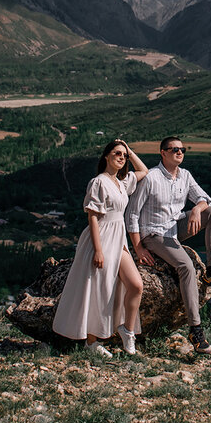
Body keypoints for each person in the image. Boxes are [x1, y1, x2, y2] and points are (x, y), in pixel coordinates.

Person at [126, 136, 211, 352]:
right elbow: (132, 214)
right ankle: (195, 330)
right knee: (186, 266)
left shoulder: (185, 175)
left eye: (182, 149)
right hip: (154, 234)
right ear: (163, 153)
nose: (179, 152)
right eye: (174, 149)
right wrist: (138, 247)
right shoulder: (151, 178)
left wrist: (196, 210)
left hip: (174, 229)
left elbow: (204, 198)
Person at [52, 139, 147, 356]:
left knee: (136, 285)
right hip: (101, 238)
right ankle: (91, 342)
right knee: (98, 290)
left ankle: (127, 331)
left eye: (124, 155)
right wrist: (98, 250)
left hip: (118, 239)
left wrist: (130, 151)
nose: (121, 157)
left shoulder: (122, 183)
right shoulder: (98, 182)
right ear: (106, 156)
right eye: (117, 153)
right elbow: (93, 217)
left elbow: (144, 171)